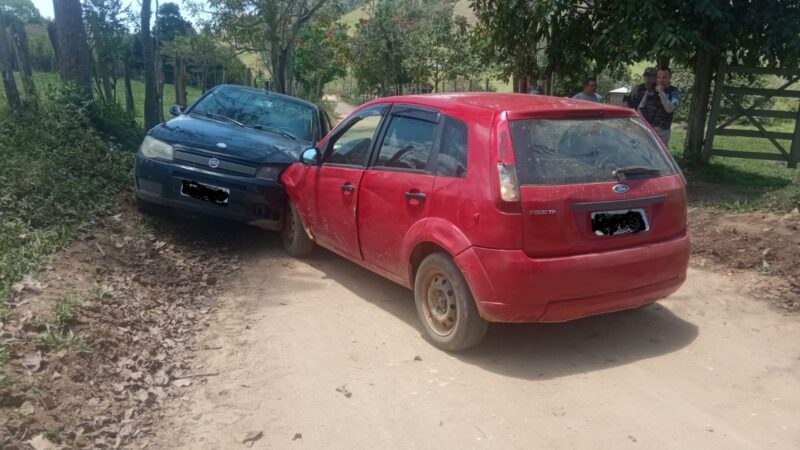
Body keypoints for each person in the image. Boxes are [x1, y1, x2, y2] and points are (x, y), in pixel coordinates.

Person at [627, 67, 681, 146]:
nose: (661, 80)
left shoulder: (674, 92)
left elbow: (670, 109)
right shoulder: (650, 89)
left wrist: (661, 92)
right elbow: (641, 107)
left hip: (662, 132)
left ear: (670, 78)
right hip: (648, 129)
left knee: (660, 156)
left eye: (664, 77)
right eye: (659, 77)